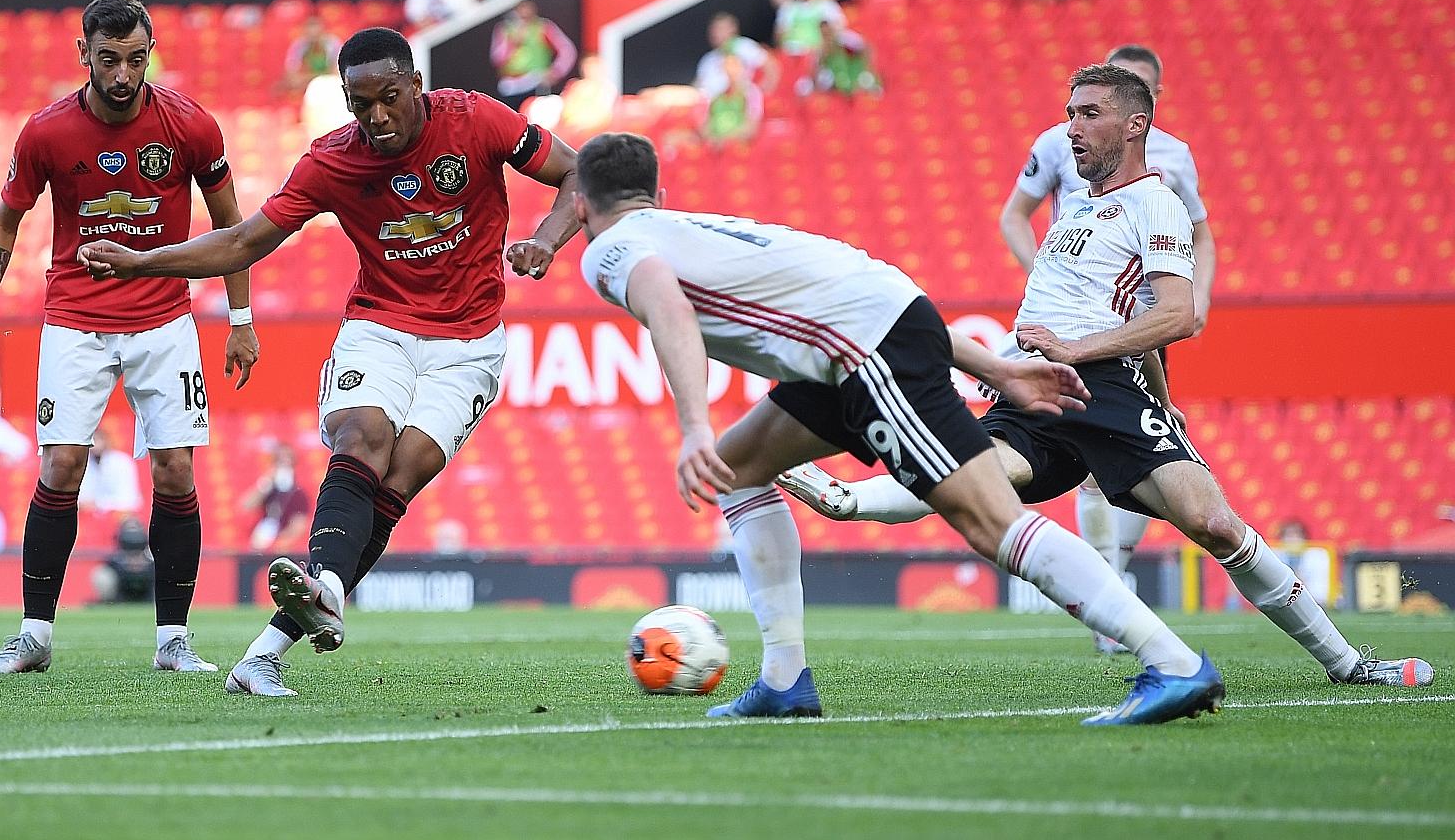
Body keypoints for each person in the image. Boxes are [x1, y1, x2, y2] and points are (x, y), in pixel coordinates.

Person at [778, 66, 1434, 690]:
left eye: (1089, 113)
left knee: (1215, 523)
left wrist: (1121, 378)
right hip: (1038, 388)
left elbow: (1177, 314)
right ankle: (845, 500)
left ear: (1135, 125)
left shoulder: (1156, 203)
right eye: (1069, 113)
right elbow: (1129, 311)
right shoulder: (1076, 211)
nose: (1071, 127)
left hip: (1106, 388)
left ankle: (1349, 663)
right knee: (974, 475)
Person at [573, 130, 1226, 726]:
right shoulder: (689, 225)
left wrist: (692, 426)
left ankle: (1171, 662)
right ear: (659, 195)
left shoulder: (613, 248)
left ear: (582, 206)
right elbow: (877, 294)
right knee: (738, 472)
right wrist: (997, 369)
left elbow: (667, 306)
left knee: (988, 520)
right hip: (858, 338)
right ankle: (782, 681)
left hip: (865, 353)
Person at [79, 26, 582, 697]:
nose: (376, 117)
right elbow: (243, 241)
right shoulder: (332, 161)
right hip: (382, 325)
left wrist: (545, 242)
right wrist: (145, 261)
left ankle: (272, 645)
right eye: (359, 103)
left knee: (399, 478)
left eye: (389, 98)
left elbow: (578, 172)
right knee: (363, 434)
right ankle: (321, 599)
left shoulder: (478, 120)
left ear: (416, 86)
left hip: (470, 342)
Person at [0, 0, 259, 676]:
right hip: (74, 319)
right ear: (83, 54)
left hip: (165, 319)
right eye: (110, 59)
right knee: (62, 465)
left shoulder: (189, 125)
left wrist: (240, 320)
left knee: (176, 469)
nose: (124, 74)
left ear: (150, 53)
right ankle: (34, 635)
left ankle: (173, 639)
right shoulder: (47, 132)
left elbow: (233, 226)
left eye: (136, 58)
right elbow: (5, 222)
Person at [1000, 44, 1215, 650]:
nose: (1081, 125)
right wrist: (1039, 274)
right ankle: (1110, 598)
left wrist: (1199, 295)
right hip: (1064, 314)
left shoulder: (1173, 162)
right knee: (1085, 463)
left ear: (1144, 111)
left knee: (1136, 459)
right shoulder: (1057, 141)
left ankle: (1112, 586)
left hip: (1130, 309)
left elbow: (1199, 231)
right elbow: (1015, 215)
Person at [489, 1, 577, 110]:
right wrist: (513, 42)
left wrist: (556, 71)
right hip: (511, 87)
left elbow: (567, 49)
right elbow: (497, 59)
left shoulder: (543, 27)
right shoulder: (505, 30)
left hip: (536, 84)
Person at [695, 13, 778, 102]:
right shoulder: (708, 59)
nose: (716, 33)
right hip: (710, 106)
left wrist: (763, 94)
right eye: (713, 29)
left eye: (720, 28)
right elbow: (697, 86)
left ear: (732, 29)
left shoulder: (743, 46)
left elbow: (770, 65)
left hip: (738, 102)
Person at [245, 444, 312, 551]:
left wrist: (279, 542)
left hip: (283, 546)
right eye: (279, 462)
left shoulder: (299, 495)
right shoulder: (268, 490)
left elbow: (299, 525)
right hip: (261, 542)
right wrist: (265, 484)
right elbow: (246, 506)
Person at [775, 0, 846, 57]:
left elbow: (838, 31)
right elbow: (779, 34)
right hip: (791, 53)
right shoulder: (788, 8)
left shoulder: (827, 6)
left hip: (817, 54)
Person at [805, 20, 880, 97]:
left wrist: (868, 68)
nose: (827, 34)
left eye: (828, 31)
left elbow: (866, 48)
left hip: (854, 69)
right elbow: (815, 67)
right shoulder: (821, 48)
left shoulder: (846, 39)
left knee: (868, 82)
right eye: (824, 33)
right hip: (835, 75)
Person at [92, 516, 156, 603]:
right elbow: (109, 563)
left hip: (148, 590)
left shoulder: (151, 557)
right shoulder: (115, 559)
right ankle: (109, 603)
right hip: (119, 589)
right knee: (102, 574)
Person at [701, 55, 763, 146]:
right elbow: (704, 123)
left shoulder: (751, 92)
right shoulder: (714, 93)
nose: (730, 71)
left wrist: (727, 140)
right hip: (714, 145)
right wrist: (712, 138)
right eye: (726, 66)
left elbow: (752, 126)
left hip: (739, 145)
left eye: (734, 66)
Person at [80, 429, 142, 518]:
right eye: (92, 440)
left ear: (105, 440)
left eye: (97, 440)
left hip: (120, 517)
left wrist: (99, 504)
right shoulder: (84, 463)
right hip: (89, 518)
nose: (94, 444)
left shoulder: (122, 462)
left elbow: (129, 499)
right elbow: (82, 498)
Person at [281, 16, 343, 94]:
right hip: (305, 87)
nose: (313, 39)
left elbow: (336, 74)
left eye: (316, 36)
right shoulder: (298, 46)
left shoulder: (334, 45)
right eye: (310, 36)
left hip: (327, 87)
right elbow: (292, 76)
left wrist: (310, 79)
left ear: (323, 32)